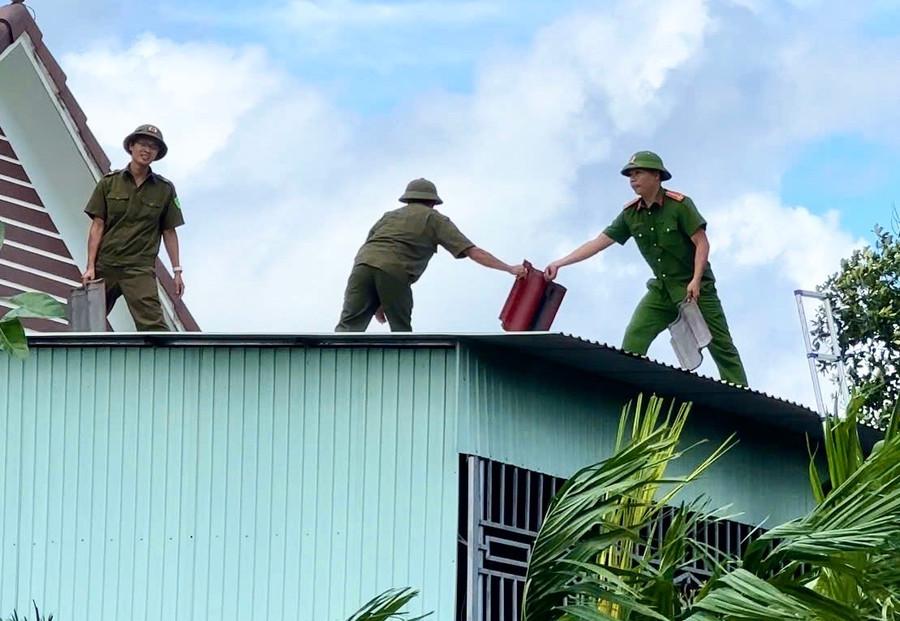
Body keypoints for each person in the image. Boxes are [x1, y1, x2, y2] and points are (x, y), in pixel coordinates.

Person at [544, 151, 748, 385]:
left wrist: (695, 279)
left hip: (695, 288)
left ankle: (744, 402)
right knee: (634, 338)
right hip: (662, 291)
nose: (633, 179)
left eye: (638, 173)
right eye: (630, 175)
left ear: (656, 176)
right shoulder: (630, 214)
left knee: (721, 347)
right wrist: (560, 262)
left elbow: (702, 243)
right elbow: (598, 243)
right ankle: (627, 392)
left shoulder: (680, 206)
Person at [336, 178, 525, 332]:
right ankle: (406, 369)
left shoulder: (388, 216)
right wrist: (509, 268)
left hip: (362, 265)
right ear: (433, 202)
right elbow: (473, 251)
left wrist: (378, 300)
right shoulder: (434, 218)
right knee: (401, 330)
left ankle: (335, 365)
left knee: (348, 326)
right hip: (394, 270)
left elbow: (374, 255)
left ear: (407, 199)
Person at [81, 124, 185, 331]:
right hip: (106, 263)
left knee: (154, 327)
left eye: (153, 147)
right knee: (86, 322)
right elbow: (97, 225)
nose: (147, 150)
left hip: (139, 267)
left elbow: (169, 231)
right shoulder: (109, 183)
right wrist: (90, 266)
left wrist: (177, 271)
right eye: (143, 144)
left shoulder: (164, 189)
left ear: (157, 154)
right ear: (131, 146)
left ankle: (158, 363)